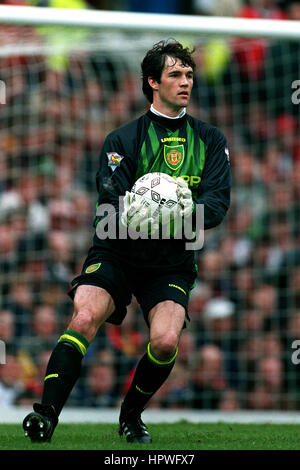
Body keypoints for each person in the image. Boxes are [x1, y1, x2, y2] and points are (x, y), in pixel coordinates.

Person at [22, 39, 231, 444]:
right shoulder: (122, 139)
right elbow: (110, 202)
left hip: (171, 260)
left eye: (189, 74)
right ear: (153, 81)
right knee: (83, 318)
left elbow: (218, 203)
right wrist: (151, 215)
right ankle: (45, 415)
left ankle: (130, 416)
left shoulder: (210, 139)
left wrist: (175, 216)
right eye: (175, 74)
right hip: (117, 249)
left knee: (167, 342)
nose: (185, 81)